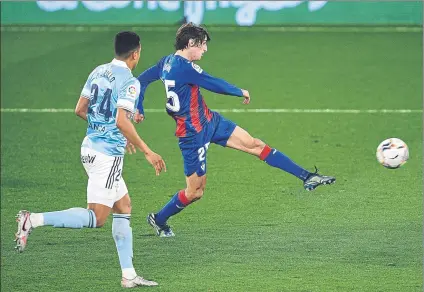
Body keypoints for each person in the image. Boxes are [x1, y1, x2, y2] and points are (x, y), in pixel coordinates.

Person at [135, 23, 335, 238]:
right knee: (195, 192)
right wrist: (240, 91)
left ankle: (307, 177)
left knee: (255, 144)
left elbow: (141, 81)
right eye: (202, 45)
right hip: (192, 135)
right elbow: (213, 83)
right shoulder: (184, 67)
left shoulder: (166, 62)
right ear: (190, 43)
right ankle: (159, 219)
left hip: (210, 121)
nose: (205, 50)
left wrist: (138, 106)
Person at [14, 31, 166, 288]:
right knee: (96, 217)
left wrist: (114, 128)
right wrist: (147, 150)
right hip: (107, 156)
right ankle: (34, 219)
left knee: (124, 207)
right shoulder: (130, 81)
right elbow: (120, 120)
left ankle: (128, 275)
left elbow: (80, 110)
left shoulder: (98, 71)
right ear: (136, 53)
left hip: (89, 148)